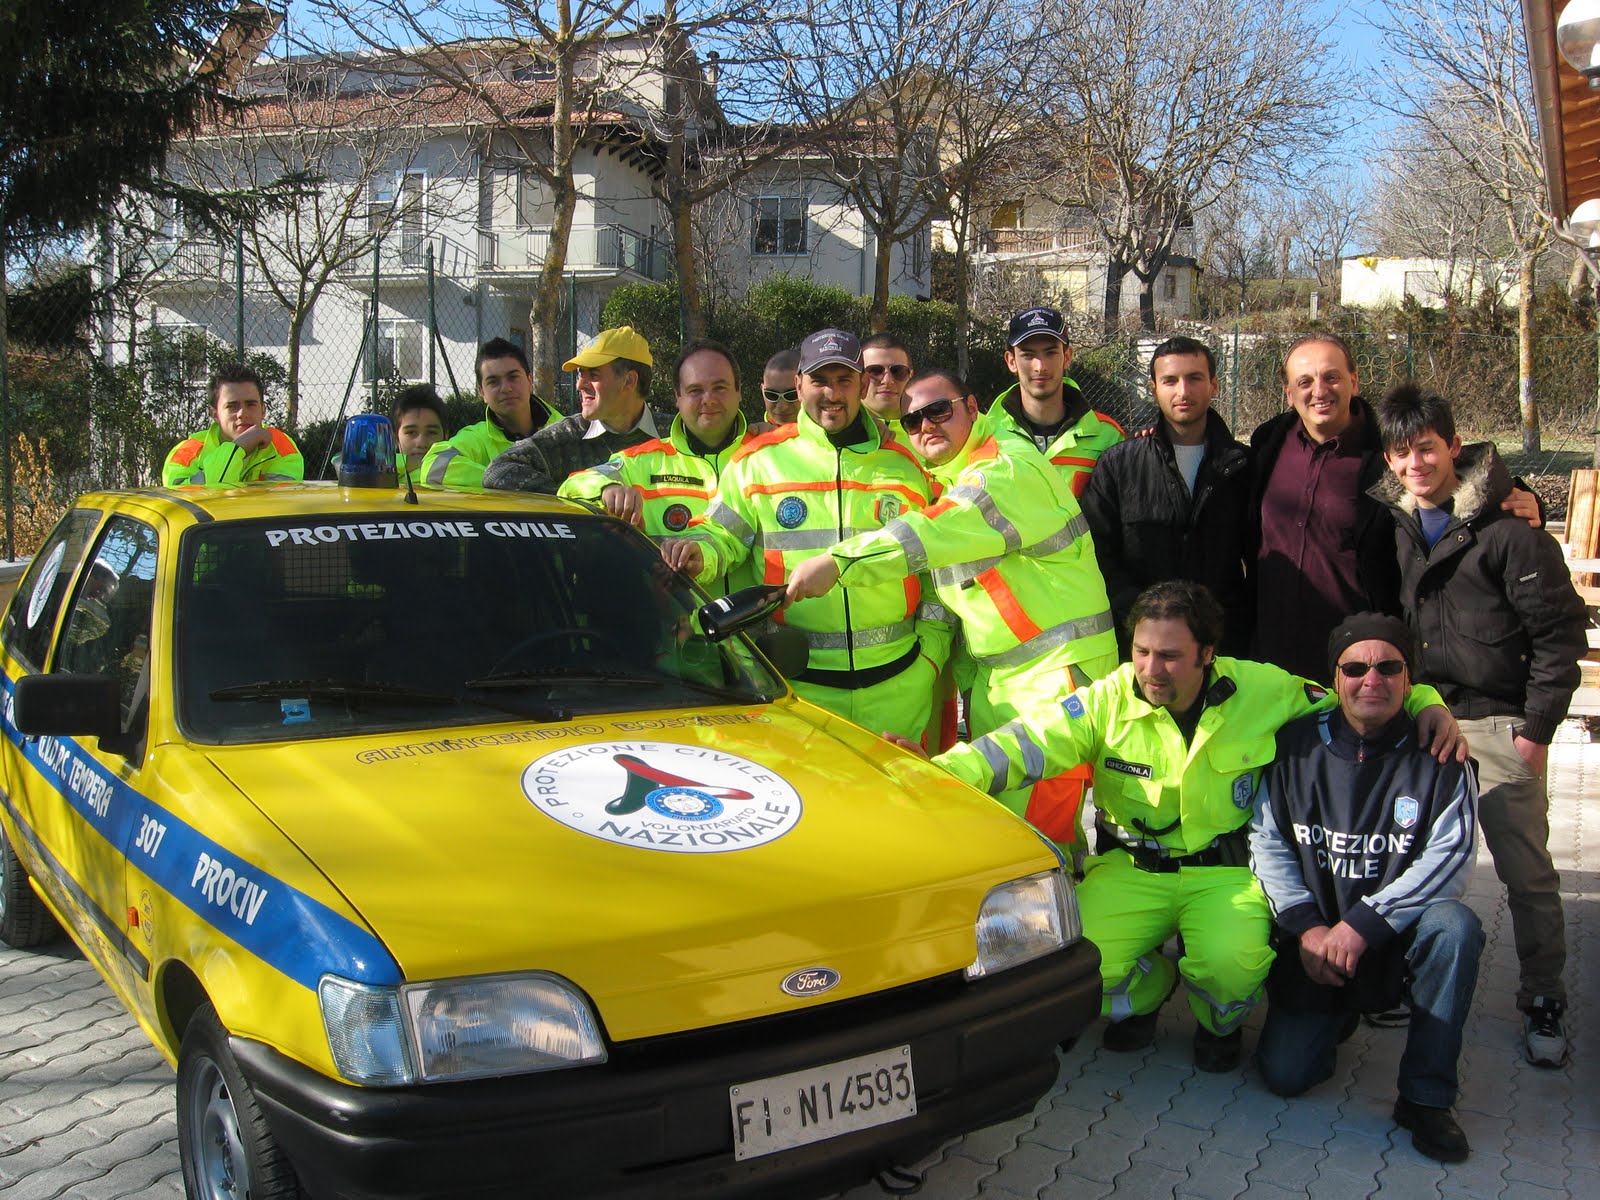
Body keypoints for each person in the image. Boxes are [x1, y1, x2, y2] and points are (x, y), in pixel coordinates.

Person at [899, 580, 1462, 1072]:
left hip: (1225, 875)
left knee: (1231, 968)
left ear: (1208, 654)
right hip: (1130, 868)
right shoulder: (1108, 698)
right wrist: (929, 774)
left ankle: (1217, 1029)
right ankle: (1147, 992)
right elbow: (1022, 746)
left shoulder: (1264, 691)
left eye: (1169, 656)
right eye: (1141, 651)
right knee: (1076, 974)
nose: (1150, 669)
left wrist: (1428, 702)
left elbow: (1355, 692)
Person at [785, 368, 1118, 841]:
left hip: (1054, 680)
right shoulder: (954, 478)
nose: (926, 426)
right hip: (1007, 683)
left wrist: (839, 563)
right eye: (912, 419)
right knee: (1007, 831)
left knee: (1041, 841)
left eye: (938, 411)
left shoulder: (1003, 468)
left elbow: (934, 532)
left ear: (972, 407)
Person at [1372, 383, 1586, 1068]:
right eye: (1402, 454)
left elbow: (1559, 637)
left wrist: (1537, 731)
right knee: (1412, 863)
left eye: (1427, 449)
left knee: (1526, 873)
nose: (1416, 465)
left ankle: (1543, 996)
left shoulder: (1508, 532)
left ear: (1454, 446)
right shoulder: (1400, 525)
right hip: (1426, 716)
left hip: (1499, 722)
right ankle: (1409, 976)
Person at [1251, 612, 1481, 1163]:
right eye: (1355, 667)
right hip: (1318, 939)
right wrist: (1307, 930)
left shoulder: (1442, 756)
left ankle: (1425, 1098)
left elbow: (1450, 856)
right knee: (1284, 1075)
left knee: (1457, 928)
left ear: (1409, 679)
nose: (1370, 680)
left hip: (1390, 936)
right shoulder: (1292, 747)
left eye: (1388, 667)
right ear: (1335, 679)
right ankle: (1337, 1013)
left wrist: (1365, 925)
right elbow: (1267, 841)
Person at [661, 328, 950, 741]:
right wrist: (699, 553)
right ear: (799, 385)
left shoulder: (907, 466)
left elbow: (938, 569)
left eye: (844, 380)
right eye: (819, 381)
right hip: (799, 692)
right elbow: (720, 534)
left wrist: (931, 658)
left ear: (862, 384)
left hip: (900, 687)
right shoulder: (758, 463)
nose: (832, 393)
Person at [1249, 334, 1540, 681]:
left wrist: (1515, 494)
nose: (1319, 390)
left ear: (1354, 382)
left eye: (1332, 377)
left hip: (1359, 663)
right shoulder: (1268, 443)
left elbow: (1447, 465)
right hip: (1270, 659)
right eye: (1305, 381)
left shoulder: (1387, 449)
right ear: (1288, 393)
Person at [1081, 336, 1253, 657]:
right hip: (1143, 649)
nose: (1183, 391)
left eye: (1194, 378)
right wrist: (1140, 616)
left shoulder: (1245, 467)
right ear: (1153, 387)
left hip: (1223, 647)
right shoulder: (1120, 464)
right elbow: (1097, 552)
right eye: (1170, 380)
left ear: (1214, 384)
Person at [560, 340, 759, 594]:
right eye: (695, 390)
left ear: (739, 391)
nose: (708, 400)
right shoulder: (642, 462)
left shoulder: (767, 458)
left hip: (752, 631)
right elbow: (572, 487)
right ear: (677, 397)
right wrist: (606, 489)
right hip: (675, 630)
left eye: (719, 388)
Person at [484, 326, 661, 495]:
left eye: (593, 375)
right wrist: (584, 495)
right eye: (580, 374)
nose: (579, 385)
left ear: (629, 381)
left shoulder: (676, 434)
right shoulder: (567, 436)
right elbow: (498, 471)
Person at [987, 306, 1123, 498]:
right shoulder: (984, 435)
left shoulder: (1109, 437)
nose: (1040, 366)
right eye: (1028, 355)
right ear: (1011, 361)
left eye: (1050, 353)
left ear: (1067, 357)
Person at [420, 337, 561, 489]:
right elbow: (433, 467)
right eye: (493, 382)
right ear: (482, 392)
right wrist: (503, 479)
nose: (506, 388)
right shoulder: (476, 438)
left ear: (529, 381)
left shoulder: (565, 431)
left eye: (513, 377)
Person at [163, 363, 304, 486]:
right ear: (214, 414)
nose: (242, 413)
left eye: (250, 404)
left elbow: (278, 505)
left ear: (263, 410)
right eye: (232, 406)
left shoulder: (281, 446)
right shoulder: (185, 454)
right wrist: (238, 448)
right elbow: (201, 501)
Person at [391, 384, 446, 479]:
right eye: (411, 432)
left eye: (431, 432)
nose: (421, 443)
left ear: (445, 435)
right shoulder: (380, 477)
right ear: (395, 438)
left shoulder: (456, 474)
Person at [860, 332, 913, 425]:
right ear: (859, 377)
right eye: (874, 371)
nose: (887, 381)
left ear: (911, 376)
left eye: (898, 371)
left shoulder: (929, 433)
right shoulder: (834, 432)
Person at [760, 349, 801, 426]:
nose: (782, 407)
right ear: (762, 392)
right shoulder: (752, 436)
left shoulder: (828, 434)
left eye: (791, 395)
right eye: (772, 395)